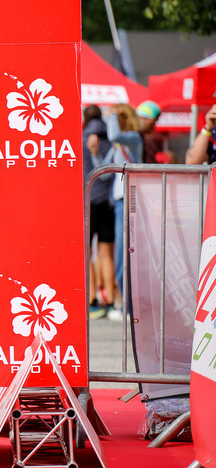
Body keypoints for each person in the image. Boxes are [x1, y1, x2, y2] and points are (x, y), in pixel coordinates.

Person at [101, 103, 143, 318]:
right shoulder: (119, 145)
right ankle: (124, 303)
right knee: (121, 254)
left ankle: (127, 306)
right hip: (118, 201)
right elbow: (104, 170)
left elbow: (114, 134)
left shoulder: (134, 137)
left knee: (126, 253)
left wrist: (112, 117)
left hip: (130, 199)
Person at [83, 105, 115, 317]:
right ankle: (110, 299)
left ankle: (92, 298)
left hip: (87, 199)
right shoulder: (111, 137)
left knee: (87, 252)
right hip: (107, 200)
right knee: (106, 252)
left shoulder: (81, 137)